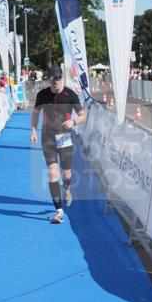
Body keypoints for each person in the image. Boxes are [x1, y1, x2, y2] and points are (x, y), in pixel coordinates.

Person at [30, 67, 86, 224]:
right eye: (53, 79)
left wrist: (74, 121)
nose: (56, 81)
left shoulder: (70, 94)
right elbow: (35, 113)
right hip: (47, 137)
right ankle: (59, 211)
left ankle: (66, 188)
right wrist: (33, 130)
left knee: (66, 175)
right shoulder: (43, 94)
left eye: (58, 78)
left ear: (63, 79)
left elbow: (83, 116)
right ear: (49, 79)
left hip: (65, 137)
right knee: (53, 172)